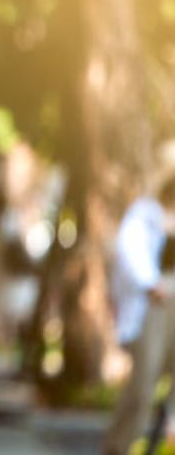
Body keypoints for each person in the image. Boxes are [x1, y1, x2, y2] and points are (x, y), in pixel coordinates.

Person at [104, 178, 175, 455]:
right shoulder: (145, 216)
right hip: (153, 307)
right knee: (144, 382)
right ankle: (118, 446)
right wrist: (150, 283)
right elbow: (130, 250)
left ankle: (157, 442)